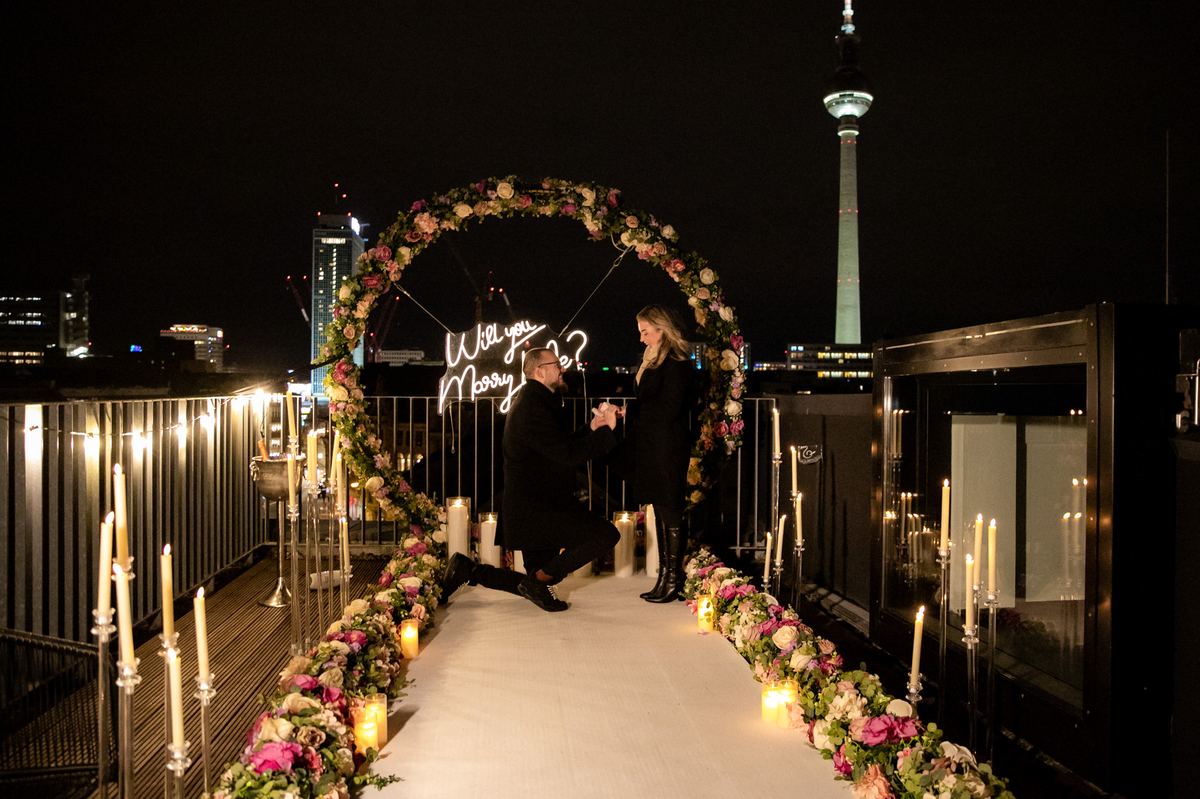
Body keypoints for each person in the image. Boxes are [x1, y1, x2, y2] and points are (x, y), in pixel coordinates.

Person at [441, 347, 621, 612]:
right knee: (605, 535)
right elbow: (567, 454)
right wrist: (608, 432)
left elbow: (559, 445)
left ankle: (470, 571)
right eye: (556, 364)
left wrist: (592, 428)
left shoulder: (537, 401)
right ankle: (526, 579)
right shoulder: (533, 407)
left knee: (537, 579)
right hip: (539, 508)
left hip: (533, 504)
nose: (562, 369)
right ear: (540, 371)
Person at [625, 304, 695, 602]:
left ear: (661, 329)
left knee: (670, 507)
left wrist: (634, 414)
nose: (641, 338)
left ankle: (673, 579)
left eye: (645, 331)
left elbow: (670, 407)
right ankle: (665, 577)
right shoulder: (653, 360)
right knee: (659, 505)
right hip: (653, 444)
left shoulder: (676, 362)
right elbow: (650, 403)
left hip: (668, 445)